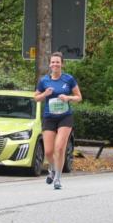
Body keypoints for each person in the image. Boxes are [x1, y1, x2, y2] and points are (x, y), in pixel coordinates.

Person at [33, 52, 83, 191]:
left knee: (60, 148)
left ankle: (58, 178)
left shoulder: (68, 79)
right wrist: (45, 94)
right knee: (48, 151)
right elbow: (36, 98)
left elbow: (79, 97)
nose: (55, 64)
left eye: (58, 62)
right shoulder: (44, 81)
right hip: (49, 117)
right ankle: (52, 168)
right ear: (50, 64)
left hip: (65, 117)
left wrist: (68, 98)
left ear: (62, 64)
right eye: (53, 62)